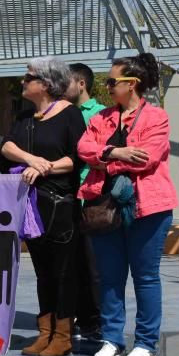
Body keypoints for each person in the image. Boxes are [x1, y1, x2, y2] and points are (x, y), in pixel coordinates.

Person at [78, 53, 177, 356]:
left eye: (112, 81)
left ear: (131, 84)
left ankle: (146, 343)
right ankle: (111, 339)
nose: (107, 87)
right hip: (104, 208)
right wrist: (115, 152)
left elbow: (146, 157)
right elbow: (83, 148)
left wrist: (103, 160)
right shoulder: (100, 118)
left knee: (146, 277)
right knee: (110, 277)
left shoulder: (156, 117)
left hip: (148, 208)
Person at [1, 57, 86, 356]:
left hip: (60, 205)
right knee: (42, 272)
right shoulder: (26, 117)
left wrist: (44, 168)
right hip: (31, 206)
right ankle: (45, 331)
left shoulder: (70, 115)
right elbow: (6, 147)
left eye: (28, 77)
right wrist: (31, 159)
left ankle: (63, 335)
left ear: (47, 84)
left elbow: (77, 158)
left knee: (63, 271)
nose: (23, 81)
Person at [67, 62, 107, 340]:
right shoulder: (62, 113)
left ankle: (99, 321)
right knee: (74, 264)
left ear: (81, 84)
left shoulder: (102, 114)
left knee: (96, 267)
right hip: (69, 198)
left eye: (66, 81)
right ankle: (81, 318)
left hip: (92, 198)